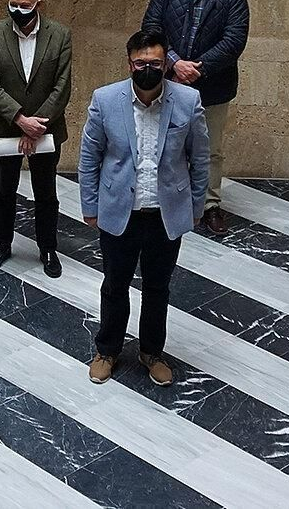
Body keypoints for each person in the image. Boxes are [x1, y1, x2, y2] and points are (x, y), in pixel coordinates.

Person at [79, 29, 209, 387]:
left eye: (155, 62)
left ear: (166, 63)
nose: (148, 69)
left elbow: (200, 158)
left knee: (157, 288)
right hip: (120, 210)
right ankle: (107, 350)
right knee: (114, 285)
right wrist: (90, 204)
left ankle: (152, 352)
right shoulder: (106, 99)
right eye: (140, 63)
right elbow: (89, 157)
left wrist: (196, 206)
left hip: (166, 214)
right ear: (129, 64)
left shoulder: (188, 101)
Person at [141, 0, 250, 235]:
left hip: (212, 85)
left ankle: (209, 204)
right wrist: (174, 62)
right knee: (164, 141)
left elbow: (234, 40)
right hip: (169, 79)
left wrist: (197, 69)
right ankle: (162, 198)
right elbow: (152, 25)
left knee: (209, 149)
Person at [0, 0, 73, 277]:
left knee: (45, 191)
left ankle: (48, 248)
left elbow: (62, 86)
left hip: (46, 129)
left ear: (38, 5)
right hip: (5, 126)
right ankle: (1, 245)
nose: (18, 11)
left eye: (25, 6)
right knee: (3, 190)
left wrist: (37, 126)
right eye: (13, 4)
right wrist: (21, 120)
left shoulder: (60, 35)